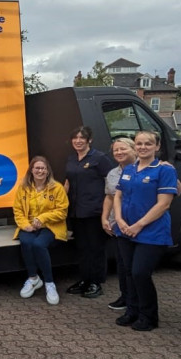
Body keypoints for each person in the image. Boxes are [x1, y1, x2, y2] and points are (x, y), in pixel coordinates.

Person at [113, 130, 178, 331]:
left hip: (151, 231)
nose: (143, 147)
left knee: (140, 272)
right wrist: (119, 220)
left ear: (157, 147)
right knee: (129, 273)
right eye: (139, 143)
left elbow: (164, 204)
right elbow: (118, 196)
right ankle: (132, 311)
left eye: (148, 144)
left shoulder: (165, 170)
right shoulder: (128, 169)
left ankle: (149, 316)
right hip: (124, 230)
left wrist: (139, 225)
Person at [64, 125, 114, 298]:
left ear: (89, 140)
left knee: (96, 248)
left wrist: (108, 211)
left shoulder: (100, 158)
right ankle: (85, 280)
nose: (78, 141)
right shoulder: (71, 159)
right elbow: (68, 181)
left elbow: (111, 181)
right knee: (82, 248)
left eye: (82, 138)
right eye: (75, 138)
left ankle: (96, 282)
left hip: (94, 211)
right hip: (76, 211)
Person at [13, 156, 69, 305]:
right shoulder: (23, 188)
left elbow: (62, 211)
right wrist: (25, 225)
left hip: (51, 226)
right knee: (26, 242)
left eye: (43, 168)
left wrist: (42, 218)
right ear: (31, 170)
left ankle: (49, 283)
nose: (40, 171)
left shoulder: (57, 188)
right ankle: (33, 278)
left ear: (47, 171)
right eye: (37, 168)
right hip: (29, 226)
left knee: (39, 244)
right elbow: (17, 209)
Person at [101, 137, 136, 311]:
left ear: (134, 149)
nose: (119, 153)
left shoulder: (147, 169)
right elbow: (109, 196)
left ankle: (136, 301)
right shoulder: (113, 173)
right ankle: (125, 296)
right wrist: (105, 218)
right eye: (116, 150)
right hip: (118, 225)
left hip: (138, 225)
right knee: (122, 264)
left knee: (134, 266)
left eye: (123, 149)